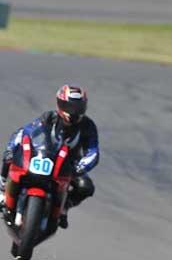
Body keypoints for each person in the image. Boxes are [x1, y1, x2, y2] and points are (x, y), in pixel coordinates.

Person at [0, 85, 99, 229]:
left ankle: (65, 207)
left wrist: (79, 167)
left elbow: (93, 152)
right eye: (69, 106)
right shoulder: (49, 118)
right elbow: (25, 131)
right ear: (60, 104)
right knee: (10, 157)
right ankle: (2, 187)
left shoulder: (88, 126)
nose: (74, 112)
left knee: (86, 187)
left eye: (78, 107)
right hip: (44, 157)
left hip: (70, 166)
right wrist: (12, 148)